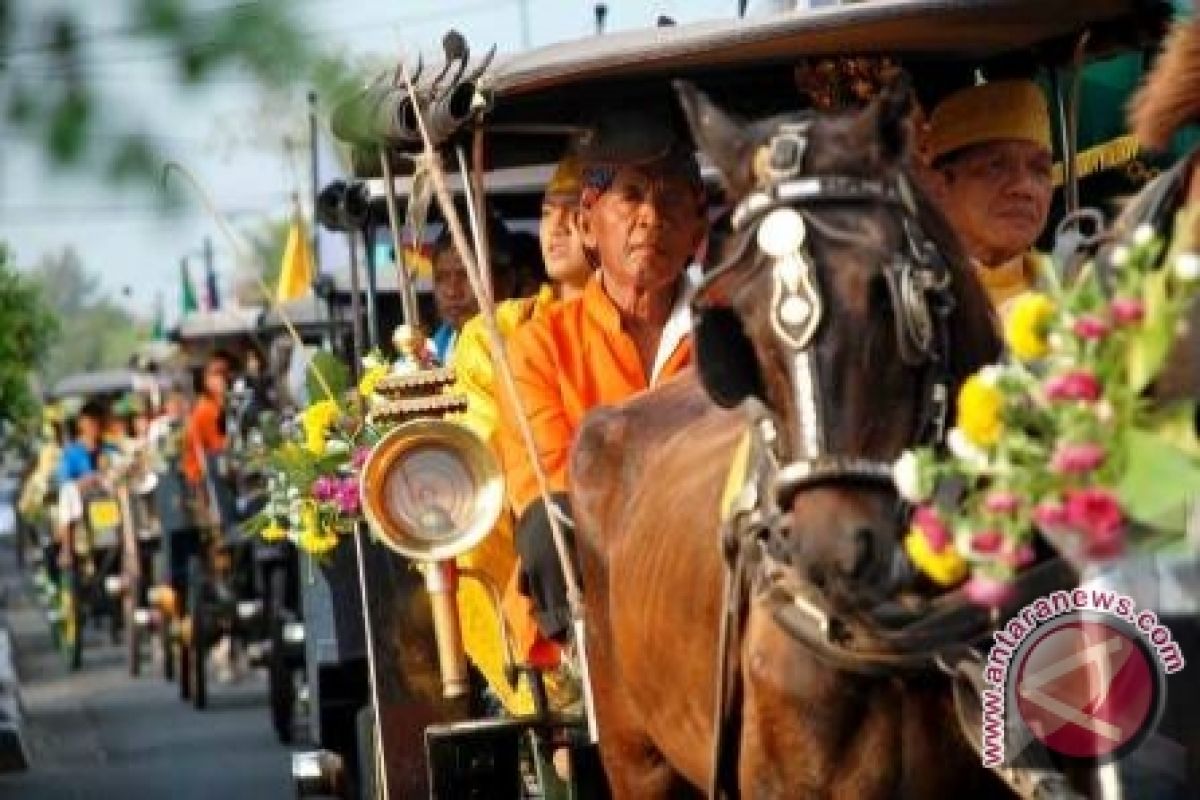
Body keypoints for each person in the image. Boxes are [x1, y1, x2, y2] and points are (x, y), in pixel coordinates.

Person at [497, 110, 707, 662]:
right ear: (588, 222)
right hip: (592, 594)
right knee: (546, 528)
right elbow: (546, 481)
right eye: (631, 196)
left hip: (715, 577)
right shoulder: (538, 346)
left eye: (671, 200)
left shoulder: (733, 334)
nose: (651, 217)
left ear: (699, 228)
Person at [448, 154, 594, 716]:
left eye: (573, 211)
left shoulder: (669, 320)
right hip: (542, 554)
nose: (554, 229)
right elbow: (491, 458)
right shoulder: (499, 334)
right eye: (545, 213)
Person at [923, 79, 1055, 319]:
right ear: (939, 186)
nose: (1024, 187)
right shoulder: (911, 302)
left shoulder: (1076, 289)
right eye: (995, 166)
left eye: (1040, 169)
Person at [429, 208, 519, 365]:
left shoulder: (527, 347)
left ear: (507, 282)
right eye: (441, 278)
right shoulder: (430, 354)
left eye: (467, 276)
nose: (452, 292)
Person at [182, 353, 231, 487]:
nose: (221, 379)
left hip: (215, 466)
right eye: (215, 375)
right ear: (205, 380)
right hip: (205, 473)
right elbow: (215, 444)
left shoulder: (219, 403)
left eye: (223, 374)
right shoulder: (205, 409)